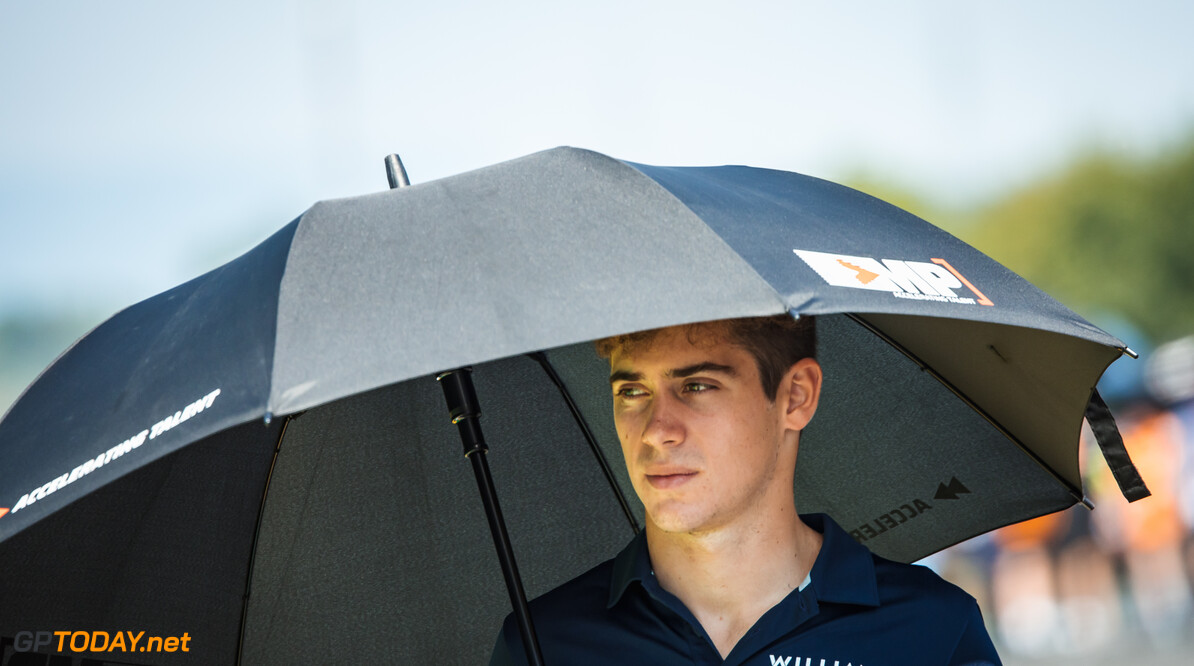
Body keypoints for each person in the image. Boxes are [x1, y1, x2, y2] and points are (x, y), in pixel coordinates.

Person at [490, 314, 1000, 665]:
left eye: (696, 386)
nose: (655, 429)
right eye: (632, 392)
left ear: (795, 396)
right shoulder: (541, 644)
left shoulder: (932, 630)